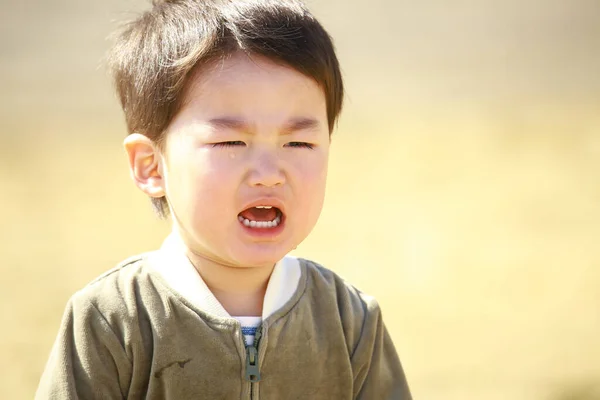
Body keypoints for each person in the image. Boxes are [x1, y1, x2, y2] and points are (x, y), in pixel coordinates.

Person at [35, 0, 412, 398]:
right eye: (231, 141)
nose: (269, 173)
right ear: (152, 166)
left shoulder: (348, 320)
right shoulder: (113, 319)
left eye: (298, 142)